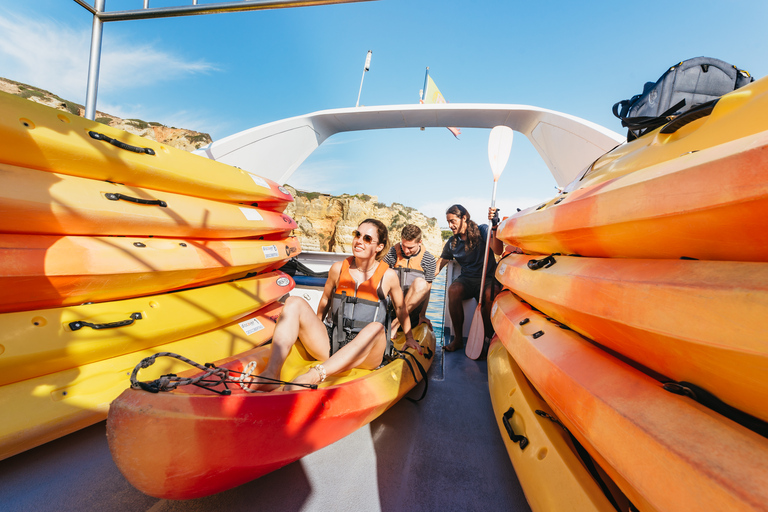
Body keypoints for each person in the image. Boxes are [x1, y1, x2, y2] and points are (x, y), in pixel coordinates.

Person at [254, 218, 422, 391]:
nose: (359, 241)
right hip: (334, 342)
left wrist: (409, 338)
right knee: (293, 302)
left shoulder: (388, 276)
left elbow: (401, 308)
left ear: (379, 247)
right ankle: (271, 373)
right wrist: (315, 326)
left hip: (367, 355)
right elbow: (325, 300)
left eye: (367, 238)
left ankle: (314, 375)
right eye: (357, 235)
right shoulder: (337, 269)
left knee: (376, 328)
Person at [434, 204, 503, 352]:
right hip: (467, 279)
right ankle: (458, 339)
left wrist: (495, 225)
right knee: (453, 290)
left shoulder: (482, 230)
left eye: (453, 221)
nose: (450, 225)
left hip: (487, 277)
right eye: (448, 222)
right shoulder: (452, 243)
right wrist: (423, 277)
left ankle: (485, 340)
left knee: (491, 295)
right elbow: (439, 265)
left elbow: (498, 249)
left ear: (463, 218)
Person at [382, 224, 437, 338]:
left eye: (410, 248)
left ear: (420, 242)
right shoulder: (392, 253)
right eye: (403, 246)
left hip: (412, 315)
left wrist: (422, 315)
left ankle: (396, 324)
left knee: (422, 283)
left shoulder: (429, 259)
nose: (406, 251)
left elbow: (428, 290)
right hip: (390, 310)